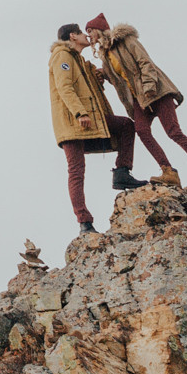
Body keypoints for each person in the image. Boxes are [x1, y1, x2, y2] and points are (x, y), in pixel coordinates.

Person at [83, 12, 187, 194]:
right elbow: (120, 76)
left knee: (174, 132)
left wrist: (149, 88)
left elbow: (144, 63)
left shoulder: (126, 41)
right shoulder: (106, 54)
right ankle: (168, 171)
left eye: (90, 31)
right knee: (142, 131)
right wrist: (103, 73)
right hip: (140, 98)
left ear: (100, 30)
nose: (89, 35)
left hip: (156, 92)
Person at [48, 23, 144, 235]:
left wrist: (97, 75)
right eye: (82, 33)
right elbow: (65, 87)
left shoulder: (78, 60)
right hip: (72, 122)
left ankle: (122, 172)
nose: (86, 36)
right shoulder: (62, 56)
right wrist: (79, 113)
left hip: (90, 119)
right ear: (73, 36)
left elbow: (85, 86)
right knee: (76, 171)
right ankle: (84, 222)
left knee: (126, 126)